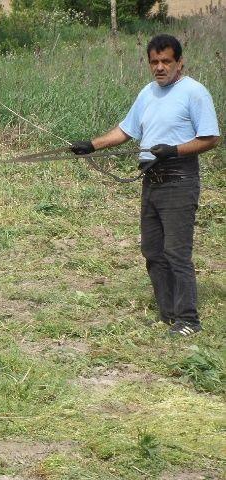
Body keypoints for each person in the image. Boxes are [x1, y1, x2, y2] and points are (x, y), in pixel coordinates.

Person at [70, 34, 220, 337]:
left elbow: (210, 138)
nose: (160, 67)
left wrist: (174, 150)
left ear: (180, 62)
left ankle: (189, 320)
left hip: (179, 179)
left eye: (166, 61)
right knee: (152, 250)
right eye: (154, 62)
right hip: (151, 181)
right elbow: (126, 131)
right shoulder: (148, 93)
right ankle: (168, 315)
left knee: (177, 252)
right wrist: (92, 145)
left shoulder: (194, 92)